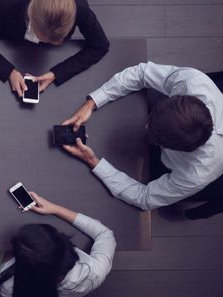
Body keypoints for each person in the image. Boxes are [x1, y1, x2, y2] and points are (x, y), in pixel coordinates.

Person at [62, 62, 223, 219]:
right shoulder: (192, 82)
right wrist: (92, 102)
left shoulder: (196, 173)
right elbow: (141, 73)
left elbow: (143, 198)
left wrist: (93, 162)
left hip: (175, 170)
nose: (145, 126)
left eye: (152, 130)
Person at [0, 192, 116, 297]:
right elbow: (104, 233)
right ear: (63, 246)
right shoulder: (94, 273)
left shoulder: (5, 284)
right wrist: (55, 209)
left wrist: (8, 254)